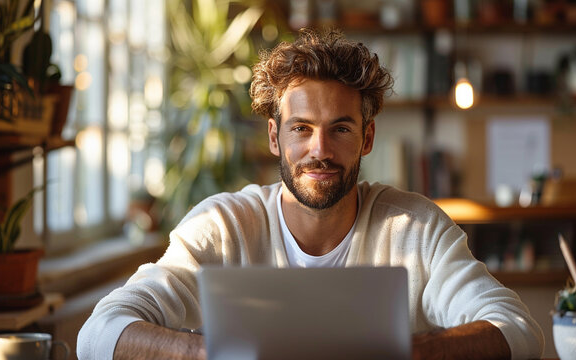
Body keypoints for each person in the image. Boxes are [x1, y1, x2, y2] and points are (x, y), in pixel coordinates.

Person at [77, 28, 544, 360]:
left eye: (340, 128)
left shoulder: (414, 228)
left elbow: (520, 331)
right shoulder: (222, 226)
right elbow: (96, 335)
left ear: (367, 138)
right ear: (275, 138)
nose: (319, 150)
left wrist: (405, 350)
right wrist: (212, 352)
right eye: (301, 128)